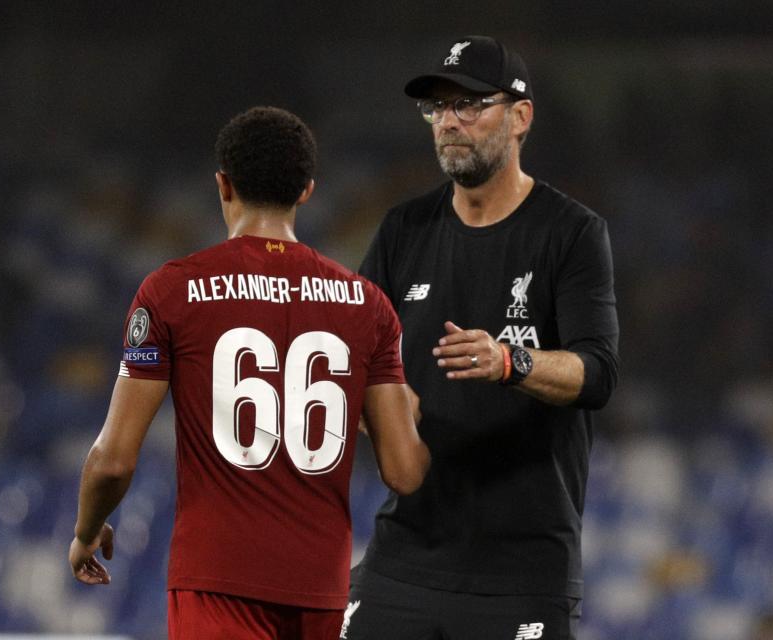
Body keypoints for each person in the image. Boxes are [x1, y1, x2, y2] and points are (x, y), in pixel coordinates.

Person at [68, 106, 430, 639]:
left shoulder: (171, 291)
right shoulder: (367, 304)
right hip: (321, 589)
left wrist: (86, 530)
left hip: (218, 581)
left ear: (223, 183)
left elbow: (113, 460)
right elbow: (404, 471)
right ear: (306, 189)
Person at [344, 36, 619, 640]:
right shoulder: (403, 228)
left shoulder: (570, 233)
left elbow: (597, 374)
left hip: (522, 569)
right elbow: (351, 366)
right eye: (438, 108)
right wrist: (381, 410)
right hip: (406, 556)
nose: (449, 122)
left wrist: (508, 361)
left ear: (521, 117)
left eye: (469, 105)